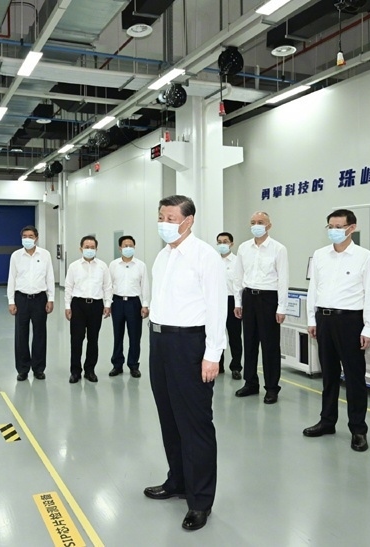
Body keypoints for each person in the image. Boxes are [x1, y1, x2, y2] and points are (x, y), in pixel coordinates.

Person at [143, 195, 227, 532]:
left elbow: (217, 308)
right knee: (169, 418)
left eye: (170, 218)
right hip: (160, 341)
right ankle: (177, 480)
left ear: (188, 221)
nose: (163, 223)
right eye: (160, 216)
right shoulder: (163, 256)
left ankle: (200, 500)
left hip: (190, 345)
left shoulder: (205, 256)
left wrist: (212, 354)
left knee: (195, 424)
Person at [304, 209, 370, 452]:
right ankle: (327, 421)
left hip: (351, 321)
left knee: (355, 377)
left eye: (339, 226)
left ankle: (358, 429)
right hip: (324, 319)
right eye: (330, 226)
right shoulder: (320, 255)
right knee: (329, 374)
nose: (334, 231)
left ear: (351, 228)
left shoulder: (364, 256)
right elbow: (313, 289)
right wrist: (312, 319)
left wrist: (368, 328)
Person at [232, 212, 289, 403]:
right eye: (253, 222)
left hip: (269, 299)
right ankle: (250, 383)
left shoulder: (278, 249)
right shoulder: (243, 248)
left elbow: (283, 280)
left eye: (261, 222)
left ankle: (272, 388)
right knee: (249, 342)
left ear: (269, 225)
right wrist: (238, 302)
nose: (256, 225)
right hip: (249, 297)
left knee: (270, 345)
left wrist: (281, 307)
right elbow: (238, 277)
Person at [7, 225, 55, 381]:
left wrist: (51, 298)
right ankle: (23, 369)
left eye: (30, 236)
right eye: (24, 236)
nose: (27, 239)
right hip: (21, 299)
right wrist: (11, 301)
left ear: (36, 238)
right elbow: (11, 279)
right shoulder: (16, 256)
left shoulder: (45, 255)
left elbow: (50, 277)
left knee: (40, 334)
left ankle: (38, 368)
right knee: (21, 335)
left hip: (40, 299)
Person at [64, 235, 112, 384]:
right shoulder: (74, 266)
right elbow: (68, 287)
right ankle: (75, 371)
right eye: (86, 247)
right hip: (78, 305)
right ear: (81, 249)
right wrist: (67, 306)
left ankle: (90, 370)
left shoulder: (103, 266)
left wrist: (107, 304)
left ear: (96, 249)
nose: (89, 250)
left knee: (93, 339)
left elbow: (107, 286)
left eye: (92, 247)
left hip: (96, 305)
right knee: (76, 339)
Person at [108, 235, 150, 378]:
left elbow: (145, 286)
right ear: (120, 248)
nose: (128, 248)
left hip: (134, 303)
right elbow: (108, 285)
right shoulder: (113, 265)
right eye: (125, 246)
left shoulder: (140, 265)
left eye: (131, 245)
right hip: (117, 302)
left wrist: (145, 304)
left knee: (135, 336)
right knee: (118, 335)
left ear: (134, 247)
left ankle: (133, 365)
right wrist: (107, 303)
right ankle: (117, 365)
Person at [215, 232, 243, 380]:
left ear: (232, 243)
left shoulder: (237, 261)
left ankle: (236, 367)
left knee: (234, 336)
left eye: (225, 241)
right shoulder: (213, 261)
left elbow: (239, 284)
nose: (222, 244)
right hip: (216, 302)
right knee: (217, 334)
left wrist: (238, 304)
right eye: (219, 242)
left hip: (233, 301)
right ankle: (218, 365)